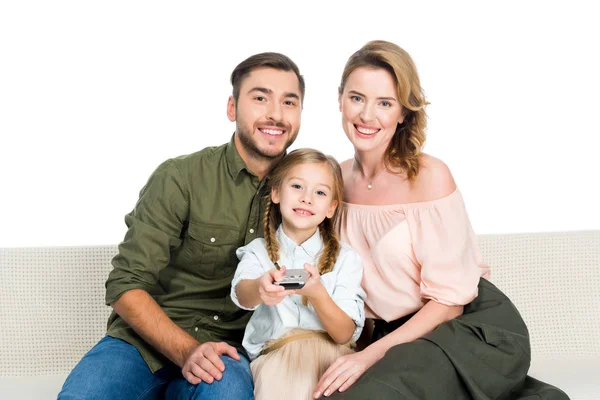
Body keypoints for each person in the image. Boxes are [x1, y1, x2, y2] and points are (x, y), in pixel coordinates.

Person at [313, 40, 569, 399]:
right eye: (357, 98)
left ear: (403, 112)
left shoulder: (430, 176)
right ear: (340, 99)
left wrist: (369, 356)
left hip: (466, 324)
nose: (367, 116)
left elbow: (451, 302)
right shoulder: (331, 182)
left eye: (384, 103)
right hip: (400, 337)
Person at [58, 51, 305, 400]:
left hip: (228, 352)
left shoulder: (308, 191)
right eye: (260, 97)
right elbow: (125, 283)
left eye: (289, 102)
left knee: (228, 394)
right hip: (144, 343)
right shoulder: (181, 177)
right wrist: (186, 350)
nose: (276, 114)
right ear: (232, 108)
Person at [231, 148, 366, 400]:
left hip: (332, 362)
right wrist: (260, 288)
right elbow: (242, 294)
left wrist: (318, 295)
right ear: (275, 193)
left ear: (331, 208)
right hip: (278, 363)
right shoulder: (258, 251)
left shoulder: (346, 259)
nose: (307, 198)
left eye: (320, 192)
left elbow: (343, 334)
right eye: (297, 186)